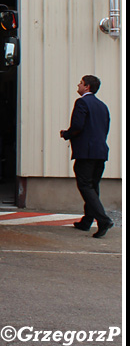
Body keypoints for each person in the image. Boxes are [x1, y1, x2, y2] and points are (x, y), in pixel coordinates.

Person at [60, 75, 112, 238]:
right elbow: (105, 128)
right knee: (93, 186)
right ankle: (86, 221)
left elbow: (77, 126)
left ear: (87, 87)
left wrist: (67, 134)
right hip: (100, 151)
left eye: (81, 83)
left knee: (85, 185)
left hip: (86, 152)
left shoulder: (82, 102)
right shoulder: (103, 106)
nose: (78, 85)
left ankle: (103, 220)